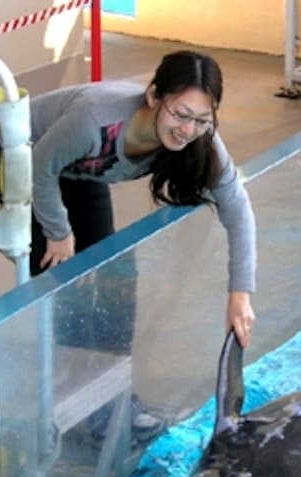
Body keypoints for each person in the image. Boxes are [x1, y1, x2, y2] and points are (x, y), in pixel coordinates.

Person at [24, 49, 257, 348]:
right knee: (66, 281)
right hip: (28, 156)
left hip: (86, 171)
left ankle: (115, 384)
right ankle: (69, 378)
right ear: (153, 97)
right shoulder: (95, 120)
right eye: (181, 115)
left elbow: (237, 208)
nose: (188, 130)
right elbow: (40, 166)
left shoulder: (200, 135)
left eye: (201, 119)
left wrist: (240, 295)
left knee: (113, 275)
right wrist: (58, 232)